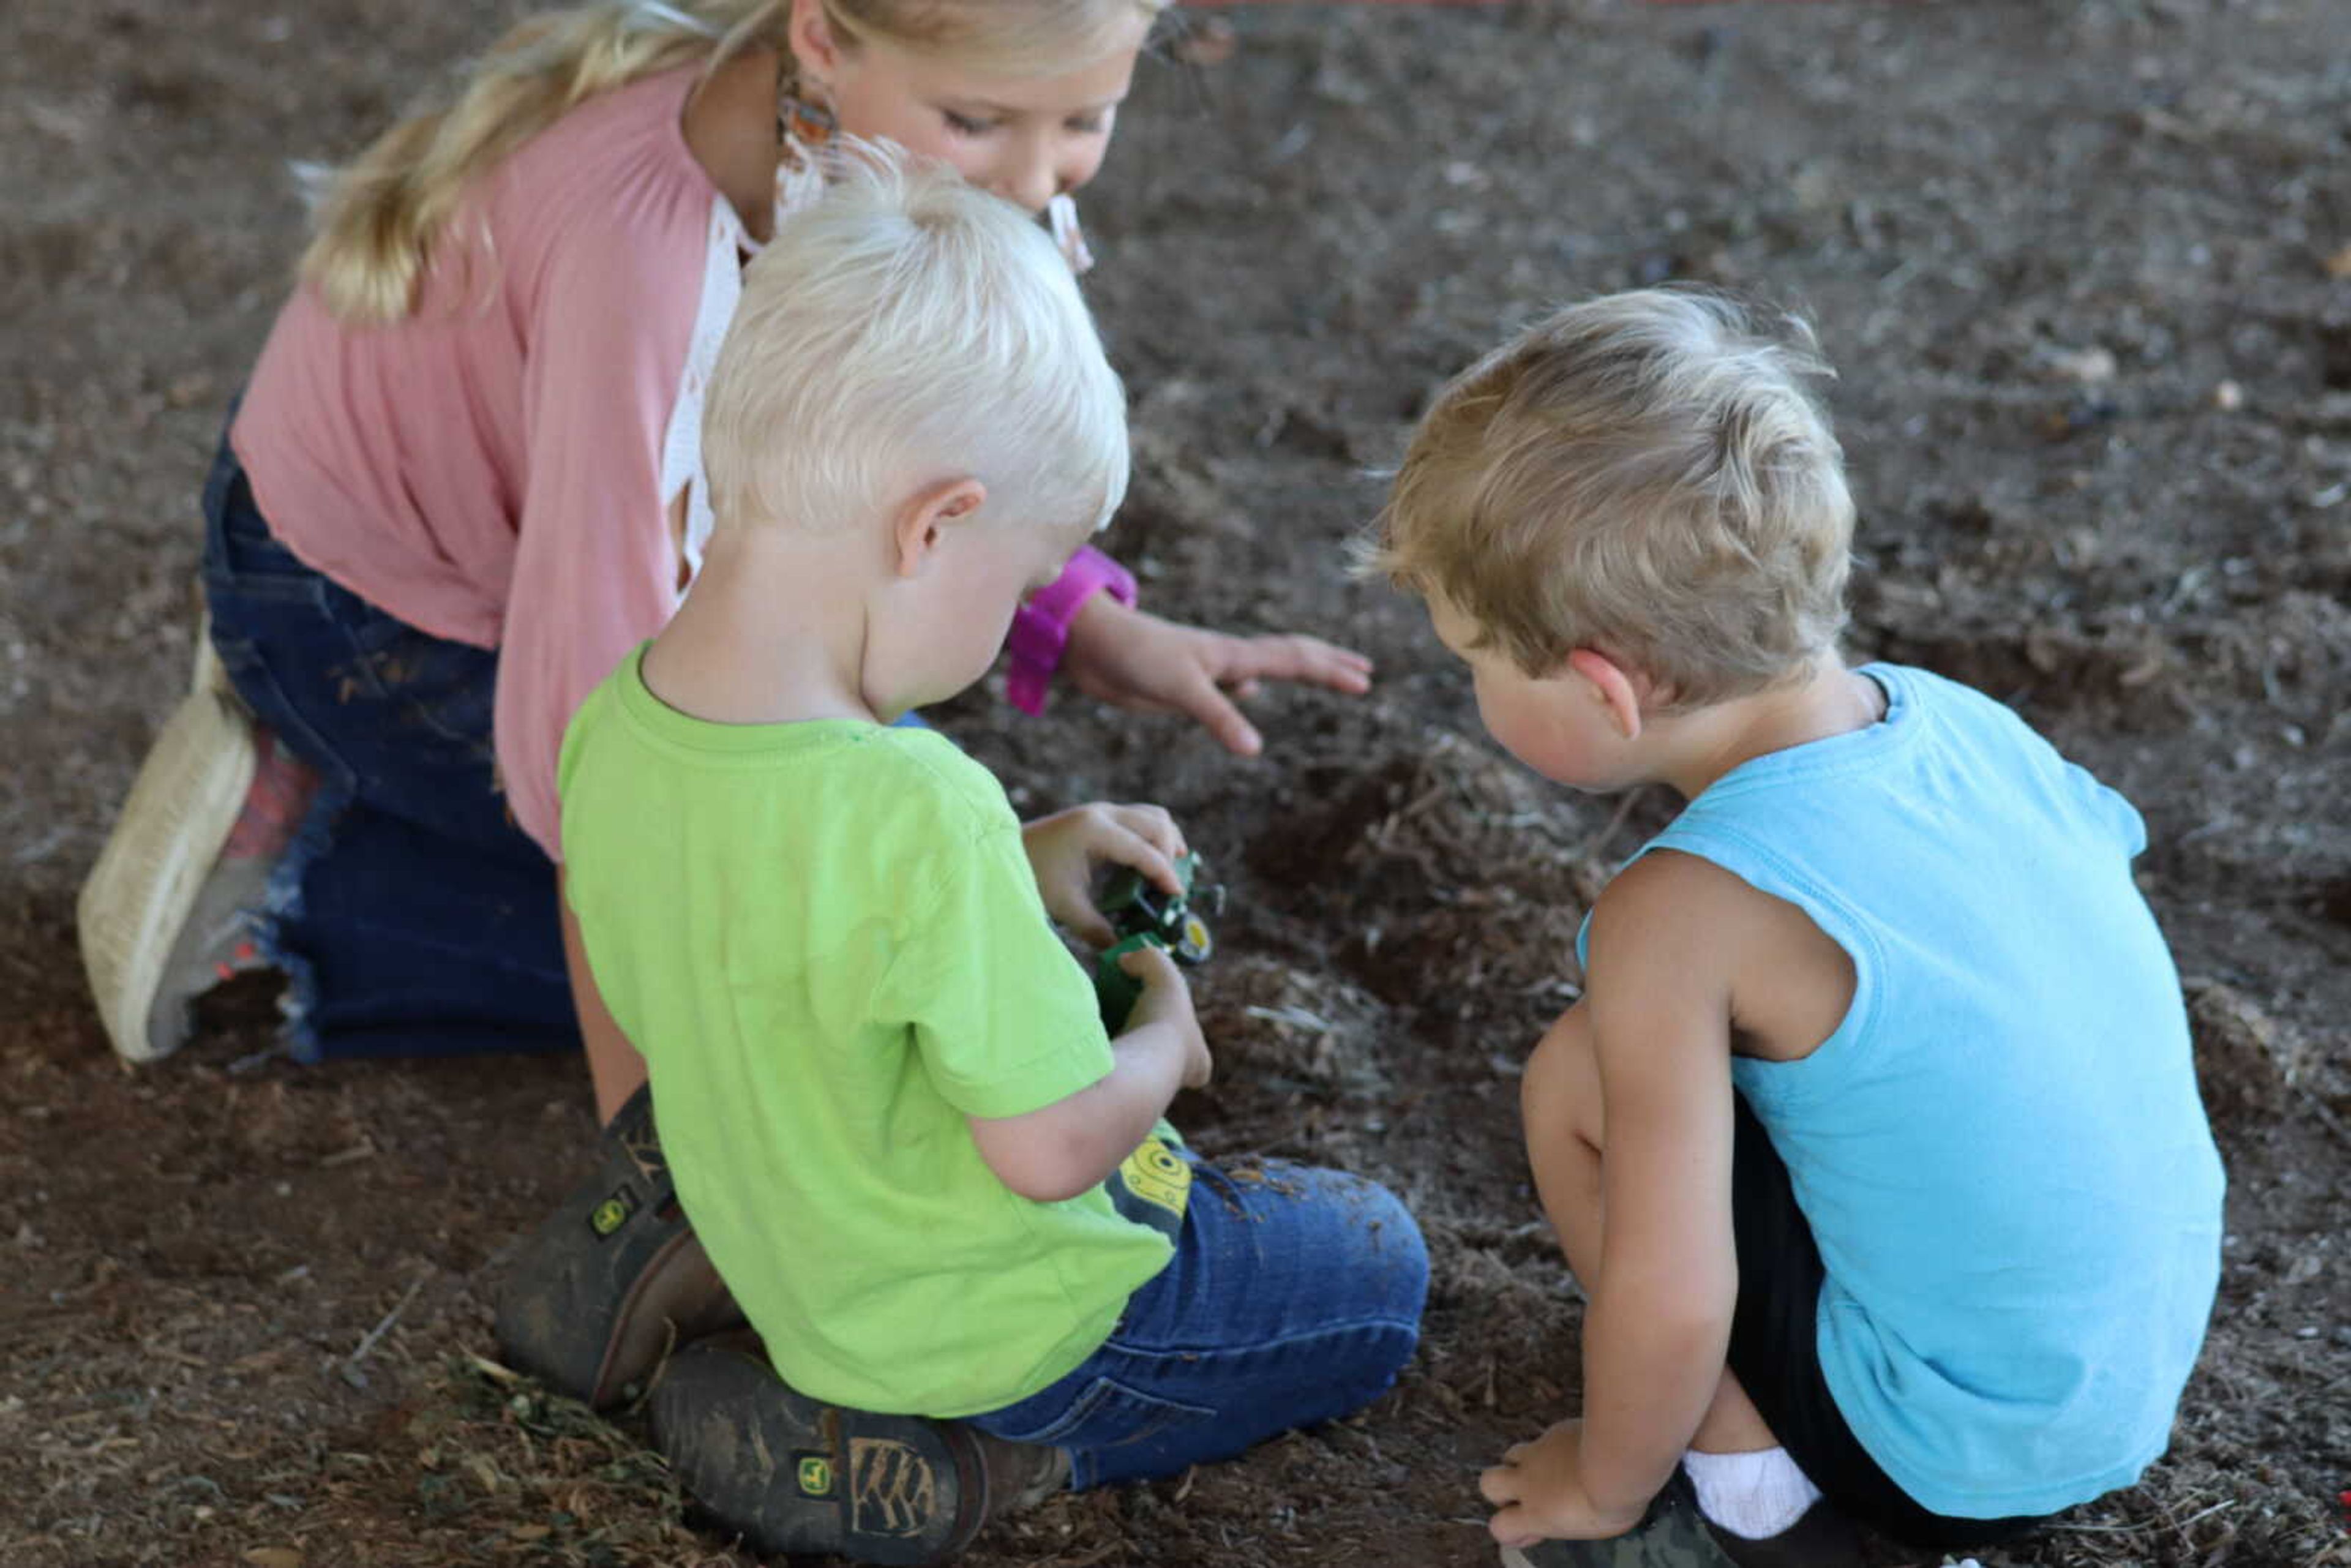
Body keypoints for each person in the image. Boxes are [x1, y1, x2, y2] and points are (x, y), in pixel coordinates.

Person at [76, 0, 1373, 1106]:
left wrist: (1076, 620)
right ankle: (302, 896)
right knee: (812, 971)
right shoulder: (642, 267)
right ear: (822, 31)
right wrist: (661, 1164)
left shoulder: (879, 140)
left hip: (605, 548)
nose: (1035, 181)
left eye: (1084, 120)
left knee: (887, 905)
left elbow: (943, 435)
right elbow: (607, 762)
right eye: (983, 121)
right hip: (367, 611)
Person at [553, 145, 1427, 1565]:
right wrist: (1166, 1042)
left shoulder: (620, 725)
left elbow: (764, 954)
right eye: (1025, 581)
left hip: (807, 1275)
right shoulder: (916, 803)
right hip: (1018, 1330)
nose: (1023, 611)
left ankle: (782, 1362)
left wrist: (1022, 862)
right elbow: (1049, 1150)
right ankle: (975, 1463)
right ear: (937, 525)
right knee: (1376, 1264)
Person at [1364, 290, 2225, 1567]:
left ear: (1603, 686)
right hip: (2120, 1377)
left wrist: (1601, 1485)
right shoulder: (1957, 723)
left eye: (1475, 661)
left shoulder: (1680, 914)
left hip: (1937, 1454)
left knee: (1577, 1077)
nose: (1470, 689)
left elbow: (1676, 1292)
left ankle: (1751, 1503)